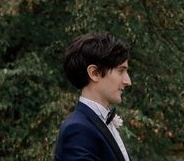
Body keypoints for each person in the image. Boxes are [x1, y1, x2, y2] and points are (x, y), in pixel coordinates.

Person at [55, 33, 132, 161]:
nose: (128, 81)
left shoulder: (94, 122)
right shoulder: (78, 129)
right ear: (94, 73)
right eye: (121, 70)